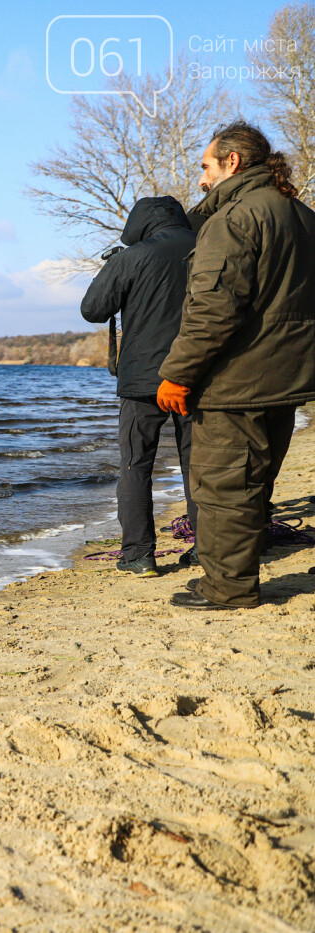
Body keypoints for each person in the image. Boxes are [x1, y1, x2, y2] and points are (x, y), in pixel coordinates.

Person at [157, 121, 315, 609]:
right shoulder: (305, 216)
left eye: (205, 166)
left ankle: (228, 588)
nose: (201, 179)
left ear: (232, 162)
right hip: (288, 379)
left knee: (225, 485)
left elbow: (213, 309)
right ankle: (230, 577)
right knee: (255, 482)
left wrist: (177, 373)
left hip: (237, 380)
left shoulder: (235, 219)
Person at [81, 197, 199, 577]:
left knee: (135, 466)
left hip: (142, 380)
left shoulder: (133, 256)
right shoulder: (208, 246)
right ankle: (207, 549)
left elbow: (92, 309)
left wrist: (114, 267)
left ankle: (138, 555)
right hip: (198, 374)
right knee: (199, 467)